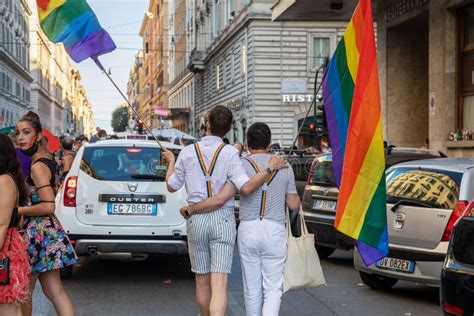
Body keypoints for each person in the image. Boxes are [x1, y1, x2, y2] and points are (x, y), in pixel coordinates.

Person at [163, 106, 287, 316]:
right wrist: (268, 168)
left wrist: (171, 162)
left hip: (196, 220)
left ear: (207, 125)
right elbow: (246, 186)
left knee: (202, 282)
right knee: (219, 283)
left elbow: (171, 185)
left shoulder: (187, 152)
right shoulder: (231, 154)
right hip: (222, 221)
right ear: (230, 128)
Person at [15, 111, 77, 316]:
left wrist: (18, 210)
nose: (20, 138)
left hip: (37, 232)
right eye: (18, 133)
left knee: (25, 291)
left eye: (26, 132)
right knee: (54, 291)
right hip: (48, 231)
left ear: (39, 135)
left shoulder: (37, 166)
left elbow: (49, 205)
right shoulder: (46, 159)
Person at [0, 134, 30, 316]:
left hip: (4, 250)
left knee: (7, 306)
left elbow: (2, 223)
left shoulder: (4, 180)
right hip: (8, 246)